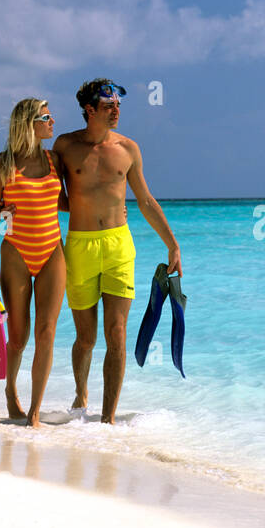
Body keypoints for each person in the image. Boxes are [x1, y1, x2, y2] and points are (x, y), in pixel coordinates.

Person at [53, 78, 181, 424]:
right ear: (89, 110)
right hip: (79, 245)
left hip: (119, 245)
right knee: (86, 337)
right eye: (109, 107)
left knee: (117, 332)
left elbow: (145, 199)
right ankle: (81, 396)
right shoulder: (64, 146)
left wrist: (172, 243)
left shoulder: (128, 148)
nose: (116, 112)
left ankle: (107, 421)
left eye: (119, 106)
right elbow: (51, 192)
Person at [0, 98, 66, 428]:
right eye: (46, 117)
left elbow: (69, 201)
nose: (52, 121)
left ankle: (35, 412)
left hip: (52, 251)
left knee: (47, 331)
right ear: (29, 124)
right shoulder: (2, 164)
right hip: (15, 251)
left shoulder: (54, 159)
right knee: (18, 336)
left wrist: (111, 209)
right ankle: (10, 391)